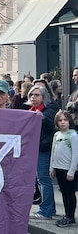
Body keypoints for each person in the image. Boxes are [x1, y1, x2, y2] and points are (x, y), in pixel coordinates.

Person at [29, 85, 57, 219]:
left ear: (44, 97)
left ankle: (45, 211)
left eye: (37, 95)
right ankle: (50, 208)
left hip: (43, 151)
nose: (33, 97)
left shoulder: (48, 112)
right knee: (42, 180)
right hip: (36, 150)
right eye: (32, 95)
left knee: (43, 180)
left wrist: (40, 144)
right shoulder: (31, 111)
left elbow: (54, 133)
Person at [49, 110, 78, 228]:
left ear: (69, 121)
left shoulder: (73, 135)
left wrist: (72, 171)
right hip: (58, 168)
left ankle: (70, 216)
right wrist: (52, 168)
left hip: (68, 170)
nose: (63, 122)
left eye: (65, 120)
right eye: (60, 120)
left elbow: (76, 154)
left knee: (70, 194)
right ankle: (66, 214)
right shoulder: (56, 135)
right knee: (64, 193)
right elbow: (53, 152)